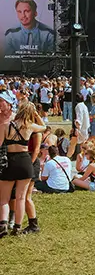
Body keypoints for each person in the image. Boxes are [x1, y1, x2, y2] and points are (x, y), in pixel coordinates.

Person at [2, 93, 49, 235]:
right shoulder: (30, 126)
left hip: (10, 159)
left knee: (4, 198)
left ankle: (3, 224)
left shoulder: (6, 125)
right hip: (24, 160)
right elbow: (44, 126)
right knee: (22, 197)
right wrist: (36, 114)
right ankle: (17, 226)